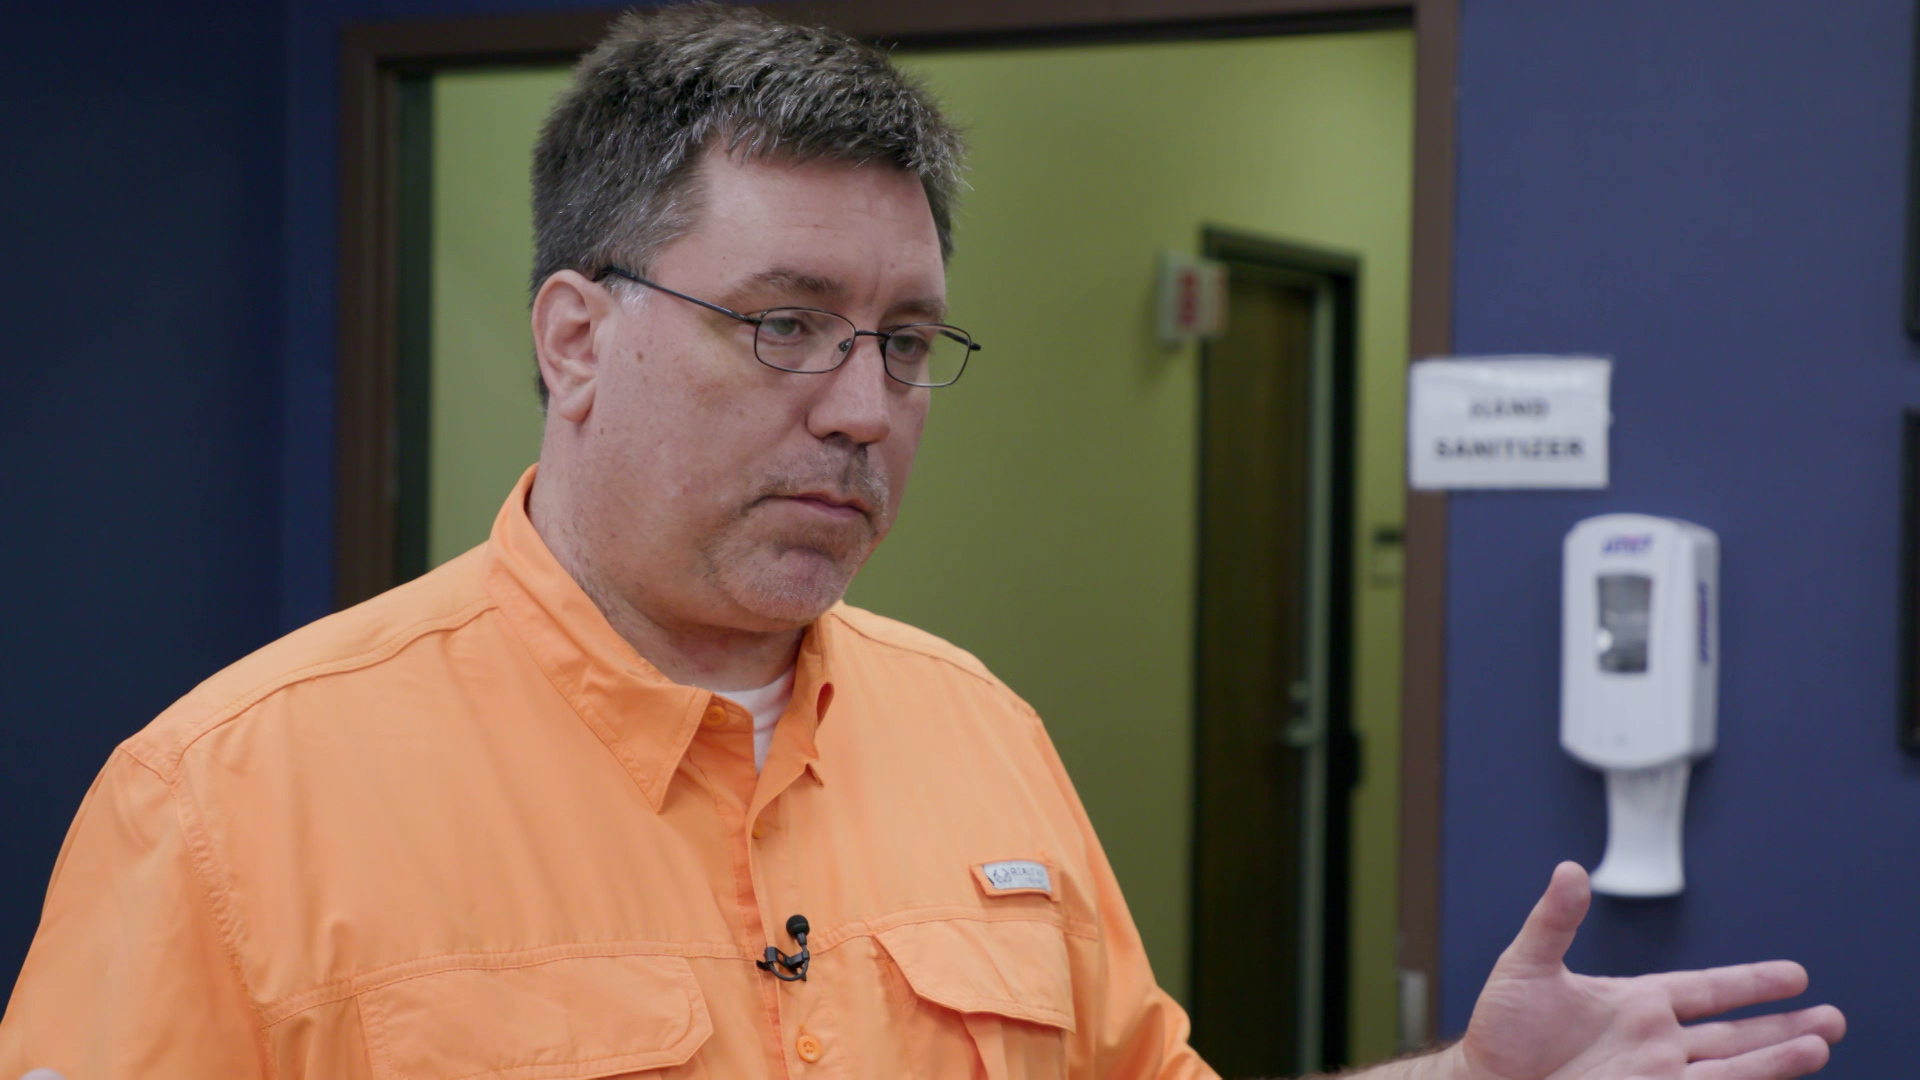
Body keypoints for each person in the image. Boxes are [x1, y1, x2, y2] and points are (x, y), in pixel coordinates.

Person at [0, 5, 1844, 1078]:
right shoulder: (232, 806)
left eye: (903, 342)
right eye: (784, 323)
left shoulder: (979, 736)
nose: (865, 407)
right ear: (575, 339)